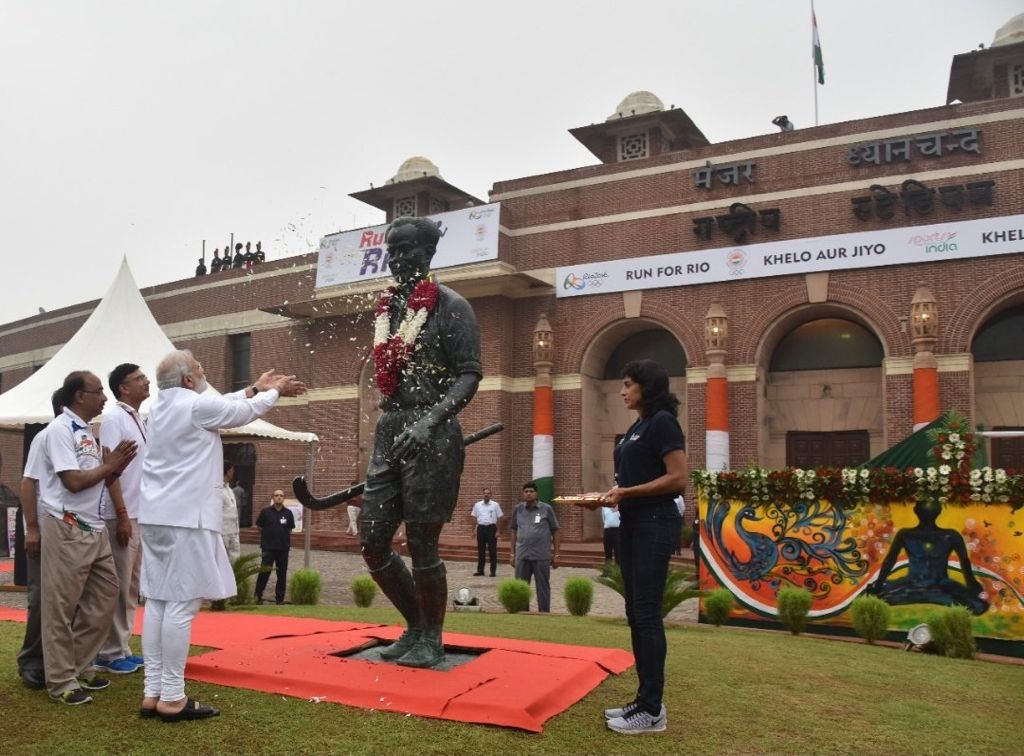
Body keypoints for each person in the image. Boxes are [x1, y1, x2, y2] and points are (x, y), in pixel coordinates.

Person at [138, 350, 304, 722]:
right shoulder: (195, 408)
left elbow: (220, 404)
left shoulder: (158, 407)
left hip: (157, 517)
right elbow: (239, 413)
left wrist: (252, 388)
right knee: (180, 605)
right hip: (186, 518)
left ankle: (153, 692)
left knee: (159, 603)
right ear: (187, 380)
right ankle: (173, 697)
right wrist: (273, 391)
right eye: (199, 368)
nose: (203, 371)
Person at [360, 216, 482, 669]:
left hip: (431, 432)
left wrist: (430, 421)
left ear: (429, 252)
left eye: (406, 249)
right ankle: (414, 624)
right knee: (373, 539)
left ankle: (432, 635)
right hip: (391, 428)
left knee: (422, 542)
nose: (397, 259)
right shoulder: (387, 309)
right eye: (391, 250)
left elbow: (470, 373)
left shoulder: (451, 306)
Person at [599, 359, 687, 735]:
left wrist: (627, 492)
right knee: (637, 612)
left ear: (646, 388)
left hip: (655, 522)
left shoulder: (663, 422)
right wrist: (609, 496)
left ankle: (652, 711)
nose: (623, 391)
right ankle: (643, 699)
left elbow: (678, 478)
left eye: (629, 384)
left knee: (648, 614)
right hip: (633, 522)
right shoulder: (639, 425)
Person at [39, 371, 138, 705]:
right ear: (80, 396)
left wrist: (114, 467)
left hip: (94, 529)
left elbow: (96, 477)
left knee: (106, 599)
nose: (105, 397)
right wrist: (109, 465)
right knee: (61, 608)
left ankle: (80, 666)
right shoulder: (59, 431)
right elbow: (73, 482)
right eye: (98, 392)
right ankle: (62, 681)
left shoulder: (88, 434)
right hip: (68, 527)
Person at [95, 363, 150, 675]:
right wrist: (122, 514)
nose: (146, 382)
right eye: (139, 379)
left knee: (131, 585)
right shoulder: (115, 418)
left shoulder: (137, 418)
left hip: (138, 513)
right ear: (123, 388)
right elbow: (109, 469)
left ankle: (122, 646)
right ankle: (108, 652)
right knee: (117, 584)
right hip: (121, 515)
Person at [15, 389, 63, 690]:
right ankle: (32, 661)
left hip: (70, 534)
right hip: (45, 531)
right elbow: (28, 483)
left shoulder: (79, 440)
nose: (103, 399)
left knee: (64, 600)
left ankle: (58, 660)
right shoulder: (46, 437)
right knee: (41, 597)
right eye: (96, 393)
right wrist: (32, 528)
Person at [869, 499, 988, 615]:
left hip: (913, 586)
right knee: (976, 605)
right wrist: (972, 586)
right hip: (940, 586)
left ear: (915, 511)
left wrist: (878, 585)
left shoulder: (905, 534)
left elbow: (889, 561)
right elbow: (965, 563)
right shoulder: (951, 535)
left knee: (876, 595)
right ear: (940, 512)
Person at [509, 481, 560, 612]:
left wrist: (556, 554)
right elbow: (514, 531)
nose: (528, 494)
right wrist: (512, 553)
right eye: (526, 492)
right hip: (522, 554)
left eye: (531, 491)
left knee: (542, 586)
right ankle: (522, 611)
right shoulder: (518, 509)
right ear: (523, 494)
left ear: (537, 494)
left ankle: (544, 612)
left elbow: (555, 531)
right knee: (521, 586)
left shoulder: (546, 509)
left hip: (541, 554)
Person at [254, 489, 295, 605]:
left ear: (284, 498)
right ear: (272, 497)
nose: (279, 497)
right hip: (268, 548)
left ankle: (279, 599)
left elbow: (290, 529)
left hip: (283, 549)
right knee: (264, 572)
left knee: (281, 574)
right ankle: (257, 597)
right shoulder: (265, 512)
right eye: (277, 495)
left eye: (281, 496)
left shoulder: (288, 513)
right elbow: (259, 527)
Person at [470, 487, 502, 576]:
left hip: (491, 528)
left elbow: (499, 518)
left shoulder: (495, 505)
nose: (486, 494)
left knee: (492, 550)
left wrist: (498, 531)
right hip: (481, 529)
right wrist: (473, 530)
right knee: (481, 550)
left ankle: (493, 571)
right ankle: (480, 570)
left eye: (488, 493)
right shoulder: (477, 505)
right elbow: (474, 517)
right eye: (485, 493)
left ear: (491, 495)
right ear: (483, 494)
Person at [220, 463, 241, 564]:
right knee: (222, 561)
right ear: (227, 471)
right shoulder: (217, 489)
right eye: (232, 470)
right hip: (223, 532)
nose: (233, 473)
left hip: (234, 531)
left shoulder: (230, 490)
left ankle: (234, 579)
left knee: (235, 560)